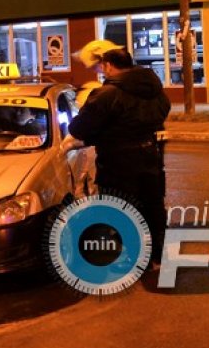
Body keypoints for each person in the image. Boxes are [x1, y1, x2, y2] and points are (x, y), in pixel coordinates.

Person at [62, 40, 171, 266]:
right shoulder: (154, 89)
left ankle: (134, 256)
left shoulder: (106, 94)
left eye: (102, 66)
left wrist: (102, 134)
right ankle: (158, 252)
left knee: (123, 208)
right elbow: (164, 110)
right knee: (152, 205)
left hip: (118, 162)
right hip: (150, 155)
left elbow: (79, 128)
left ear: (109, 65)